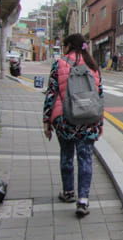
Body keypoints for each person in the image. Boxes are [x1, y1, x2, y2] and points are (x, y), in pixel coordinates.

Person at [43, 33, 104, 217]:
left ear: (70, 45)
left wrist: (47, 120)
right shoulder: (93, 67)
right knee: (85, 158)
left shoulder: (60, 63)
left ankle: (68, 192)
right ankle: (83, 200)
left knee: (67, 155)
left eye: (64, 45)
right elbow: (99, 96)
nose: (63, 48)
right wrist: (100, 122)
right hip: (88, 119)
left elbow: (51, 93)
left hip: (65, 119)